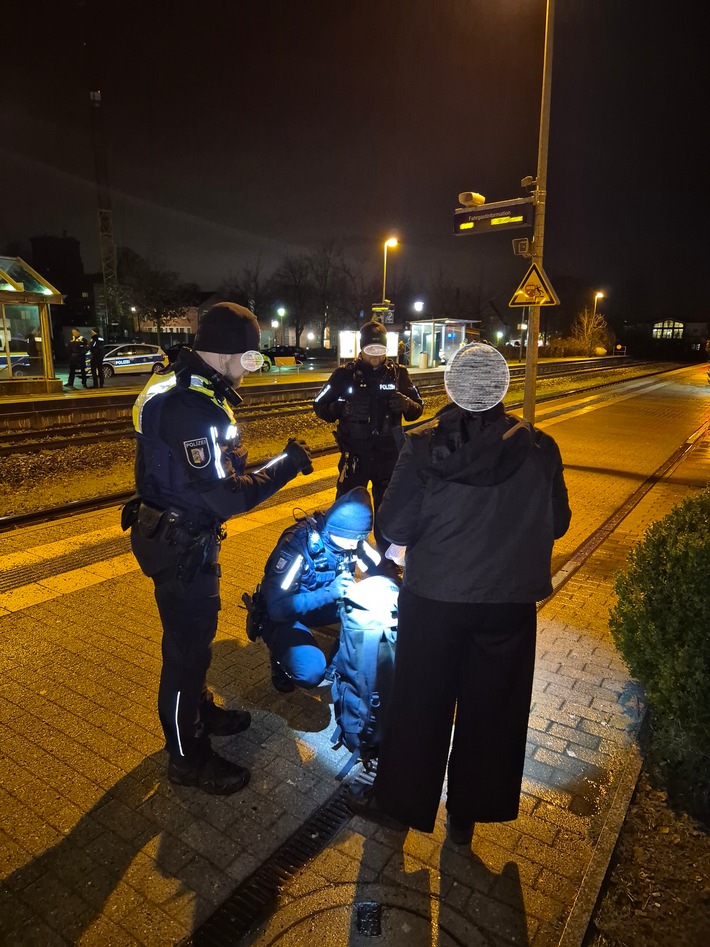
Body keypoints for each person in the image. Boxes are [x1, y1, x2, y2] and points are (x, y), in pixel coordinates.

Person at [346, 343, 572, 844]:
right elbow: (558, 524)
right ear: (501, 389)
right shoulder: (541, 447)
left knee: (419, 703)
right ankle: (468, 816)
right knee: (494, 708)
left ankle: (401, 806)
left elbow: (394, 525)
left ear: (450, 387)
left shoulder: (423, 445)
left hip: (435, 602)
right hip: (510, 605)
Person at [124, 302, 314, 795]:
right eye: (250, 357)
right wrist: (287, 464)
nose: (251, 367)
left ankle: (200, 712)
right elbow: (227, 495)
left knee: (194, 646)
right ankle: (187, 758)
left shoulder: (180, 380)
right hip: (181, 544)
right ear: (228, 352)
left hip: (176, 533)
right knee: (185, 653)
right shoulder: (191, 405)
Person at [246, 487, 380, 693]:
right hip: (284, 614)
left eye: (360, 538)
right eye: (352, 539)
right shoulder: (298, 545)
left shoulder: (352, 539)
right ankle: (280, 657)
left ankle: (336, 668)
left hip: (319, 606)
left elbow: (377, 568)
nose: (356, 545)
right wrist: (330, 593)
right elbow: (277, 607)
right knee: (310, 672)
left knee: (372, 609)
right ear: (336, 528)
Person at [313, 320, 423, 552]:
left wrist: (407, 405)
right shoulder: (344, 375)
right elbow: (319, 404)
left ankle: (388, 560)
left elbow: (418, 409)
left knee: (389, 511)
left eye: (380, 350)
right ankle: (341, 556)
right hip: (355, 457)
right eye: (370, 350)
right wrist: (340, 408)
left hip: (389, 458)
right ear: (360, 349)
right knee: (347, 511)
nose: (375, 356)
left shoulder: (398, 374)